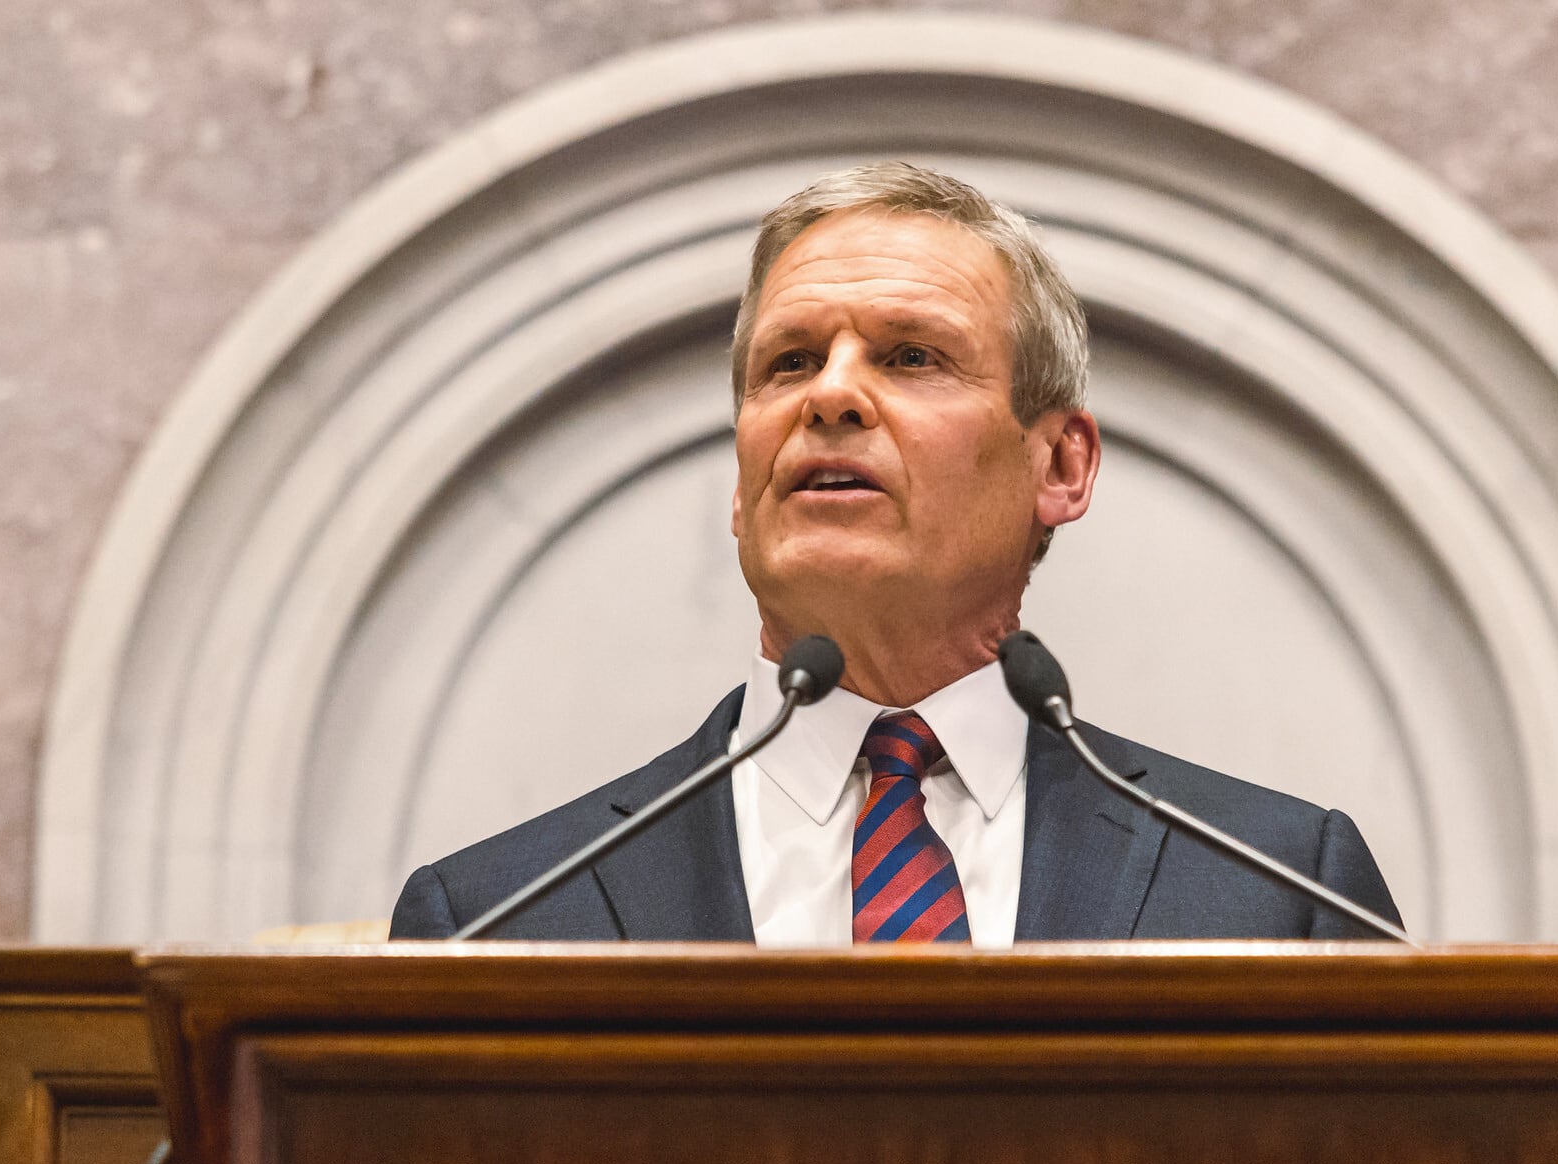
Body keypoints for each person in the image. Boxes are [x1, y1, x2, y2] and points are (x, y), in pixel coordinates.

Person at [391, 162, 1402, 944]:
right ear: (741, 487)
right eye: (786, 363)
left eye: (910, 356)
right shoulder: (493, 919)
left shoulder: (1276, 890)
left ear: (1059, 465)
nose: (828, 397)